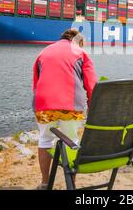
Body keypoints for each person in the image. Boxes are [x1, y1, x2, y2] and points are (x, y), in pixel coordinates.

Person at [32, 29, 98, 189]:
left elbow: (36, 84)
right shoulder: (81, 53)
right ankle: (72, 183)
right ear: (79, 42)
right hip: (71, 107)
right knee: (72, 140)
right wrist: (92, 108)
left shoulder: (44, 52)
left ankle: (45, 182)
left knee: (45, 139)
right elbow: (91, 86)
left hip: (44, 105)